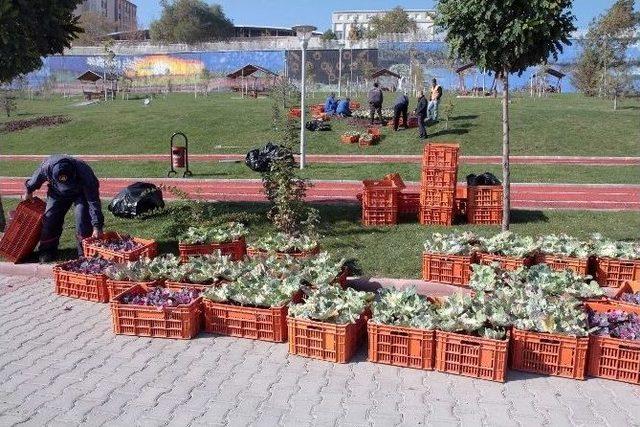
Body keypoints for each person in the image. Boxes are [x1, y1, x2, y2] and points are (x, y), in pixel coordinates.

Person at [24, 155, 104, 262]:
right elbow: (34, 180)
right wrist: (29, 191)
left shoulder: (85, 173)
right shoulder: (47, 167)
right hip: (57, 192)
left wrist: (97, 226)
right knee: (50, 218)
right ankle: (47, 250)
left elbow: (93, 201)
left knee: (82, 218)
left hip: (81, 193)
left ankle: (84, 252)